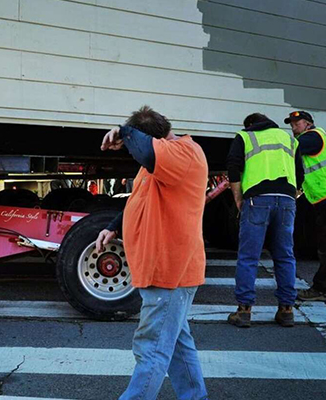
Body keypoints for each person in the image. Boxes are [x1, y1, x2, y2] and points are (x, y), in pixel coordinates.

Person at [96, 106, 208, 400]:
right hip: (164, 270)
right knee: (176, 345)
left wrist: (124, 132)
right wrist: (113, 227)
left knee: (151, 348)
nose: (133, 151)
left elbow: (146, 151)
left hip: (169, 271)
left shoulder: (183, 152)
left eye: (135, 142)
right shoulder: (160, 161)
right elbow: (139, 198)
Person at [226, 113, 304, 328]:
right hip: (287, 200)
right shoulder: (289, 138)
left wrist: (238, 199)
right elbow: (300, 171)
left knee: (249, 256)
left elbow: (233, 168)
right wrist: (293, 195)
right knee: (285, 255)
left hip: (257, 200)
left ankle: (244, 311)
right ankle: (286, 310)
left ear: (250, 124)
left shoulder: (245, 136)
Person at [285, 111, 326, 301]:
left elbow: (291, 149)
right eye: (291, 124)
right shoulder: (319, 137)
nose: (293, 127)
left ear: (308, 123)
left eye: (296, 123)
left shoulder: (312, 137)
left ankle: (321, 289)